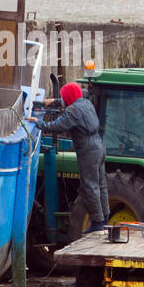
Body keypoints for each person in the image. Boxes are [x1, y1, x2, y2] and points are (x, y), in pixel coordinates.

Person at [35, 82, 109, 233]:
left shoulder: (73, 111)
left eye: (63, 97)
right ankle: (105, 217)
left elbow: (57, 126)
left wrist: (39, 123)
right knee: (101, 184)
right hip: (99, 145)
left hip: (88, 149)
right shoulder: (85, 102)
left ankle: (97, 222)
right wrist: (52, 102)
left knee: (89, 186)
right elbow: (70, 99)